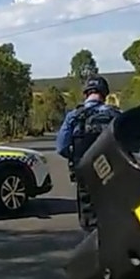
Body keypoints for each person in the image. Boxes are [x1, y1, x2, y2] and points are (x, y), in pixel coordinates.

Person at [55, 75, 121, 232]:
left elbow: (61, 147)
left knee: (90, 225)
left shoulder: (74, 116)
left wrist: (75, 157)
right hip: (114, 175)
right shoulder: (116, 115)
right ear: (104, 95)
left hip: (86, 176)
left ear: (86, 94)